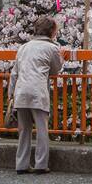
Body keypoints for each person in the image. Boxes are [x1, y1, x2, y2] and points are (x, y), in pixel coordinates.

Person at [9, 16, 64, 174]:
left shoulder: (23, 47)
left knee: (24, 130)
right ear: (52, 31)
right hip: (38, 91)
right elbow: (54, 70)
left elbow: (14, 73)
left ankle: (21, 164)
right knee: (41, 129)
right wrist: (62, 56)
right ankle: (41, 164)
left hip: (21, 91)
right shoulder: (52, 48)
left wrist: (10, 93)